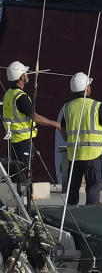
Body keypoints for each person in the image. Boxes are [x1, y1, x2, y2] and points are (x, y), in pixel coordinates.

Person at [59, 72, 102, 205]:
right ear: (87, 89)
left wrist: (69, 142)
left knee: (73, 189)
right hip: (92, 155)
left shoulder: (67, 108)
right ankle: (91, 215)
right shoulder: (96, 106)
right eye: (89, 85)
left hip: (74, 155)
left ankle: (70, 217)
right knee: (93, 189)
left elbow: (63, 129)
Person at [2, 61, 61, 194]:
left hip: (14, 141)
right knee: (23, 175)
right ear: (21, 77)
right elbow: (35, 117)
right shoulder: (20, 97)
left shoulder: (8, 95)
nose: (27, 74)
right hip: (22, 142)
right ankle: (24, 205)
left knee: (18, 174)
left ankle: (19, 203)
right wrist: (55, 124)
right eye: (25, 73)